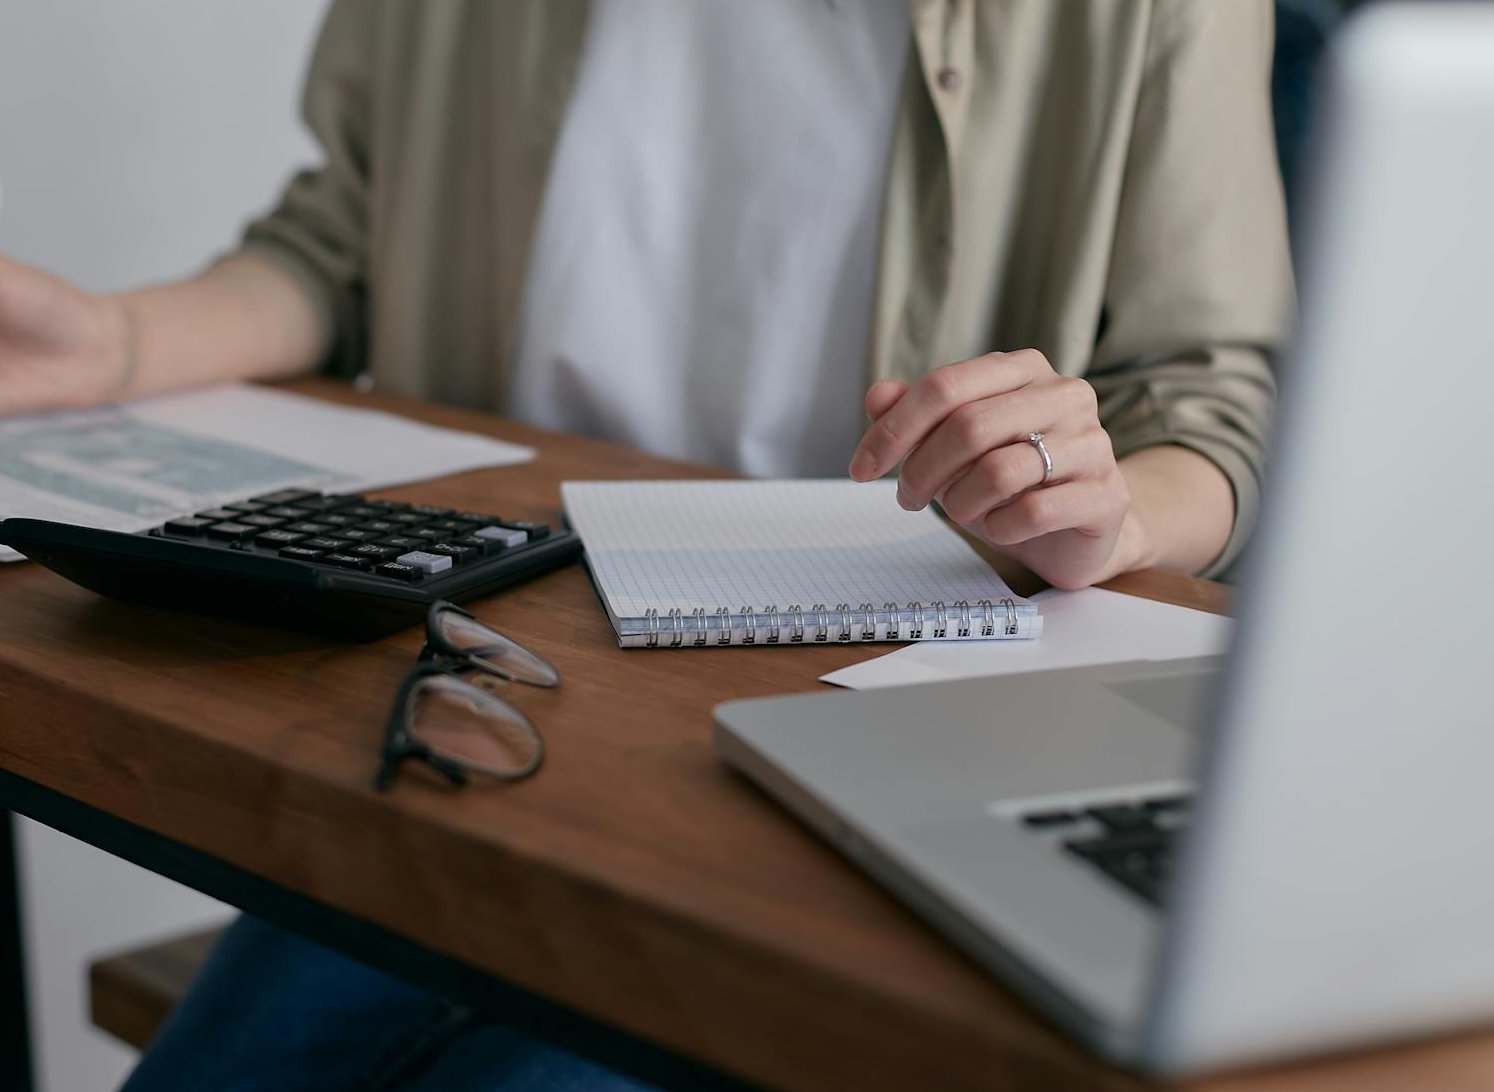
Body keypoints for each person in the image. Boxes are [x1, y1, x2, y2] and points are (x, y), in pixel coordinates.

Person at [0, 2, 1291, 1088]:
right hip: (492, 675)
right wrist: (114, 346)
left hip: (877, 696)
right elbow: (339, 250)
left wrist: (1111, 509)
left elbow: (1211, 404)